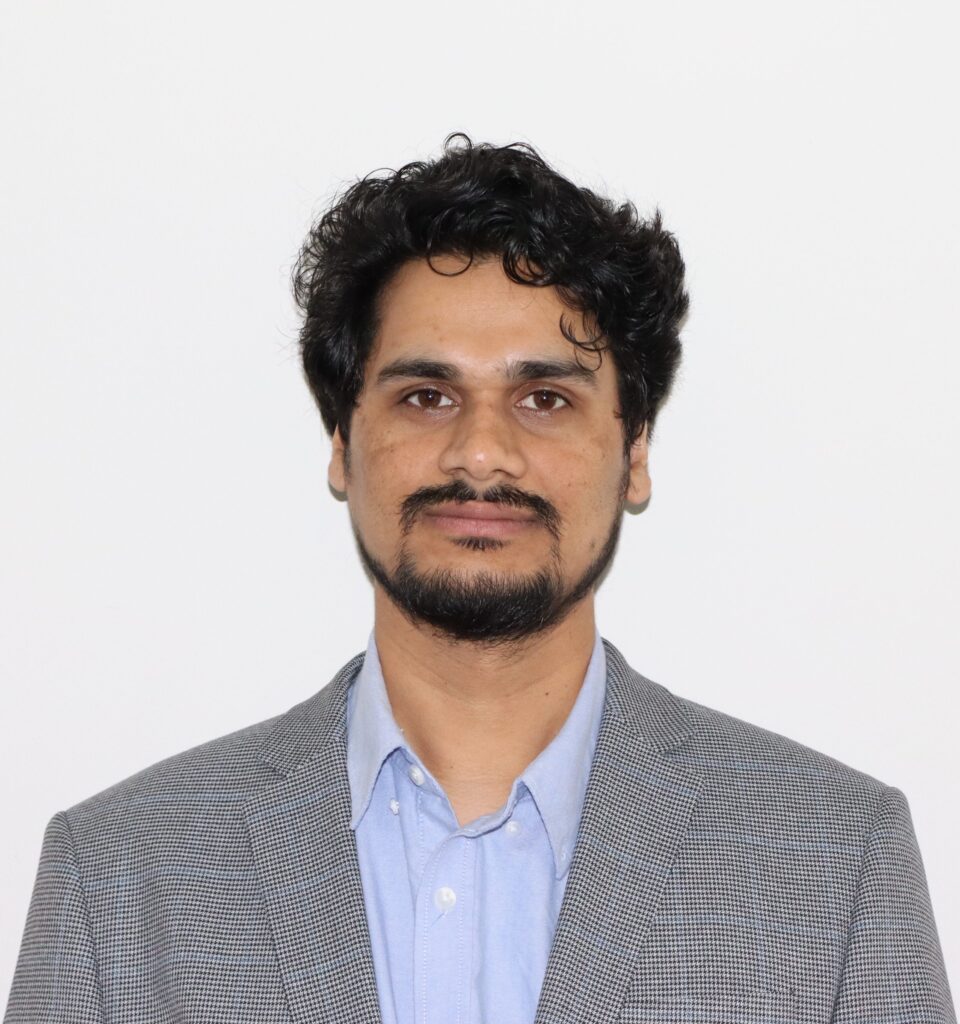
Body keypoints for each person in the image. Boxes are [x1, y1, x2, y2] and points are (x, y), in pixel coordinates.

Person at [5, 135, 955, 1024]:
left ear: (635, 454)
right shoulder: (120, 876)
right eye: (427, 396)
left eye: (545, 399)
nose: (482, 452)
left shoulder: (836, 865)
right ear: (342, 442)